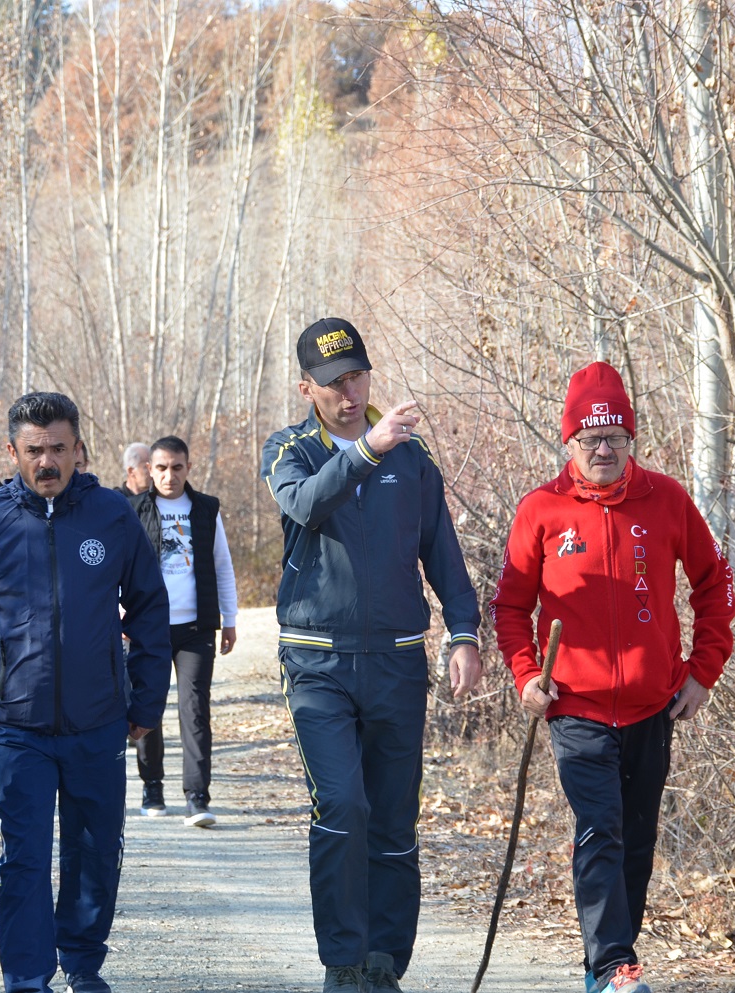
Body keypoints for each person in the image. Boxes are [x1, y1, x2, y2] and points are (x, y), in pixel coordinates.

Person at [490, 361, 735, 993]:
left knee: (635, 837)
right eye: (591, 439)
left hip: (655, 705)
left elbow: (715, 585)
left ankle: (611, 957)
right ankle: (613, 967)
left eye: (616, 438)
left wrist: (703, 671)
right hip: (576, 707)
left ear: (631, 441)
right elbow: (511, 608)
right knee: (599, 830)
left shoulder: (668, 500)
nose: (604, 450)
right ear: (569, 442)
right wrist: (525, 676)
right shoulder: (542, 510)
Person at [260, 318, 482, 993]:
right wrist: (366, 452)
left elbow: (442, 553)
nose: (351, 393)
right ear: (307, 387)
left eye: (358, 376)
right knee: (342, 805)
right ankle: (343, 961)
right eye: (334, 383)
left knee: (392, 814)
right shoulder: (288, 449)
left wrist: (465, 633)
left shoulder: (412, 459)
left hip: (395, 662)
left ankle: (385, 960)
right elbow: (306, 503)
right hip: (317, 664)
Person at [0, 392, 171, 993]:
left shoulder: (112, 515)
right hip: (15, 724)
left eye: (58, 448)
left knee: (95, 850)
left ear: (78, 448)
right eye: (33, 451)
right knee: (24, 856)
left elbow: (151, 610)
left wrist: (145, 701)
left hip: (98, 720)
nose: (46, 462)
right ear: (12, 453)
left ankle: (82, 964)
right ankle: (27, 976)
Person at [128, 435, 239, 826]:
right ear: (149, 470)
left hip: (196, 628)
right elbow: (117, 570)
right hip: (149, 625)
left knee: (194, 709)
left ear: (188, 468)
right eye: (161, 468)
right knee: (148, 708)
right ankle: (152, 787)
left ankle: (197, 797)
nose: (169, 475)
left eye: (177, 467)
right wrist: (120, 616)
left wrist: (230, 618)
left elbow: (222, 565)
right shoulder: (134, 510)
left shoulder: (206, 509)